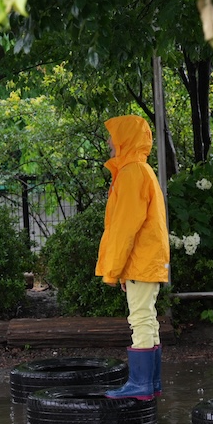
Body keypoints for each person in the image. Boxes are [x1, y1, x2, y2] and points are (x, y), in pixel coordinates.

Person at [95, 114, 170, 401]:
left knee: (139, 319)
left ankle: (141, 385)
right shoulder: (140, 170)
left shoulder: (131, 173)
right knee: (147, 319)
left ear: (124, 139)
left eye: (113, 137)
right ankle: (151, 384)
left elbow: (125, 227)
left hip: (140, 260)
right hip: (146, 259)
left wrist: (114, 271)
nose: (109, 143)